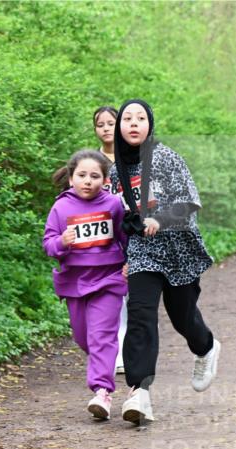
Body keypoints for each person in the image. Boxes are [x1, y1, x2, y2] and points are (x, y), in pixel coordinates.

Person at [109, 99, 221, 424]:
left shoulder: (166, 157)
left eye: (140, 118)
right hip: (143, 251)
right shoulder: (117, 171)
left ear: (150, 124)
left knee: (183, 318)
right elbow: (121, 217)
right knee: (141, 314)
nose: (133, 123)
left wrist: (161, 218)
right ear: (119, 127)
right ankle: (139, 391)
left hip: (178, 248)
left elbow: (189, 202)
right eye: (127, 118)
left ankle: (207, 348)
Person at [43, 150, 127, 420]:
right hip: (75, 282)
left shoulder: (113, 205)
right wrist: (62, 243)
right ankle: (104, 361)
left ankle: (102, 392)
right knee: (84, 337)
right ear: (70, 179)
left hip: (108, 280)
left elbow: (126, 238)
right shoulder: (61, 208)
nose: (87, 181)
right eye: (81, 175)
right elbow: (49, 244)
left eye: (94, 176)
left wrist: (129, 264)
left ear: (104, 180)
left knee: (101, 336)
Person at [93, 106, 128, 374]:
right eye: (100, 124)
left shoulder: (132, 156)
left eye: (110, 123)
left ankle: (126, 347)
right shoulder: (92, 161)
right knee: (111, 291)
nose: (105, 128)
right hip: (102, 233)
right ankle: (112, 349)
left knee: (129, 289)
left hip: (130, 230)